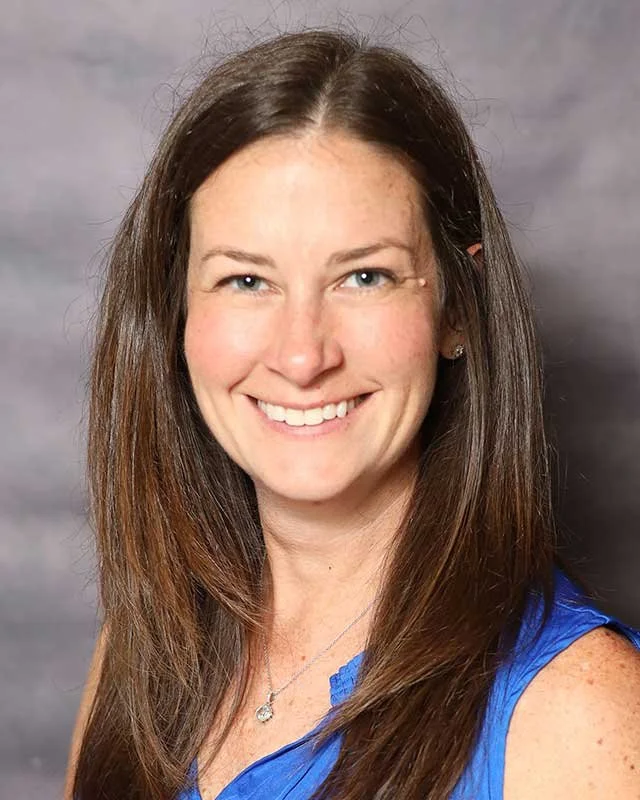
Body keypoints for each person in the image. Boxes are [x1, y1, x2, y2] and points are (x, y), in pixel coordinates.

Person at [65, 29, 640, 800]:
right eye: (245, 281)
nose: (303, 357)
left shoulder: (578, 715)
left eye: (364, 276)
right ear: (174, 312)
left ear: (455, 310)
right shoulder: (145, 657)